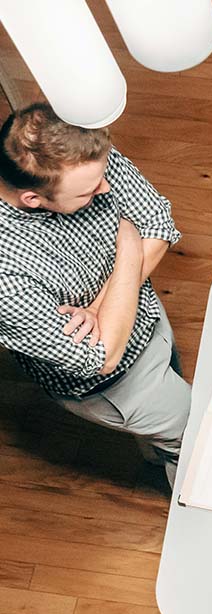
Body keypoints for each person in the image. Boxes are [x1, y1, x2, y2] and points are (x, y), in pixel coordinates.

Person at [0, 103, 188, 487]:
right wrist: (130, 244)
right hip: (119, 386)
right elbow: (101, 356)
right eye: (88, 193)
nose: (104, 187)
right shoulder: (7, 277)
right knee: (198, 442)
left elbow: (159, 222)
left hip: (149, 320)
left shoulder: (76, 154)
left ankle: (158, 449)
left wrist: (102, 306)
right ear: (33, 199)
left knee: (170, 410)